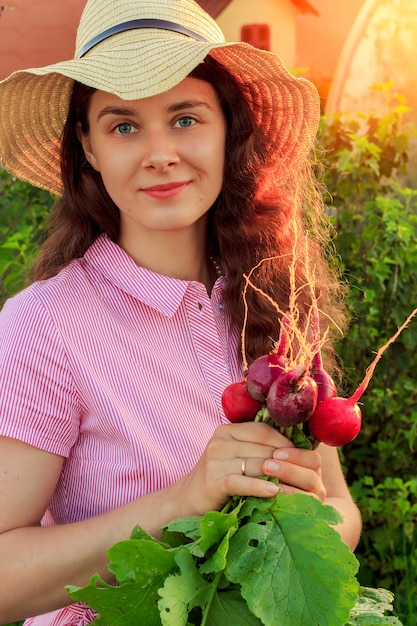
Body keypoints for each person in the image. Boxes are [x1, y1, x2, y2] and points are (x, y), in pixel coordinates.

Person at [0, 0, 362, 623]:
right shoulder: (44, 327)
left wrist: (294, 544)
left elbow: (340, 510)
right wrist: (184, 502)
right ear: (87, 146)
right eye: (123, 126)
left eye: (186, 118)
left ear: (229, 128)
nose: (160, 153)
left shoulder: (277, 302)